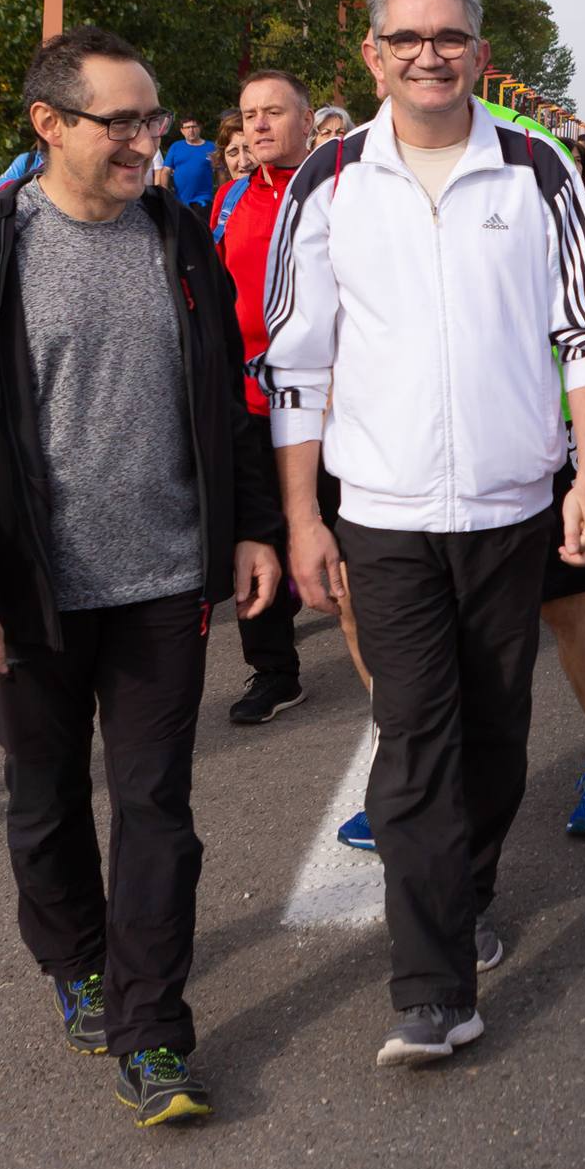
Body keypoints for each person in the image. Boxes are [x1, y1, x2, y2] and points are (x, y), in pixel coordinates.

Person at [0, 27, 281, 1127]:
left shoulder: (176, 233)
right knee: (44, 797)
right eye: (120, 121)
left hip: (164, 581)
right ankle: (77, 961)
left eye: (152, 119)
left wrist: (250, 527)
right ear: (49, 123)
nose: (143, 141)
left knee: (158, 804)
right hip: (31, 592)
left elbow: (228, 396)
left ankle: (151, 1028)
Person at [261, 0, 585, 1064]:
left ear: (479, 51)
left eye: (450, 37)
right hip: (381, 510)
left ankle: (465, 889)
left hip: (514, 507)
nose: (430, 54)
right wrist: (303, 518)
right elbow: (294, 363)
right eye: (408, 38)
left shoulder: (538, 168)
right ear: (373, 56)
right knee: (416, 733)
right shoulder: (325, 181)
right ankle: (432, 988)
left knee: (494, 726)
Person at [213, 68, 344, 725]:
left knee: (343, 538)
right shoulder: (230, 199)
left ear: (305, 121)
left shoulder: (343, 192)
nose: (257, 125)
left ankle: (390, 660)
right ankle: (273, 672)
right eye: (248, 114)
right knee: (255, 538)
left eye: (272, 112)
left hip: (332, 408)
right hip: (249, 404)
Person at [157, 115, 217, 212]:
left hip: (203, 200)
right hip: (180, 200)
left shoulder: (211, 147)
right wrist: (165, 192)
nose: (191, 130)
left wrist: (222, 195)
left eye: (194, 127)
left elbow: (220, 171)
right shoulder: (176, 147)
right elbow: (165, 171)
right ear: (182, 131)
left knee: (201, 226)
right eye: (187, 127)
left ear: (199, 128)